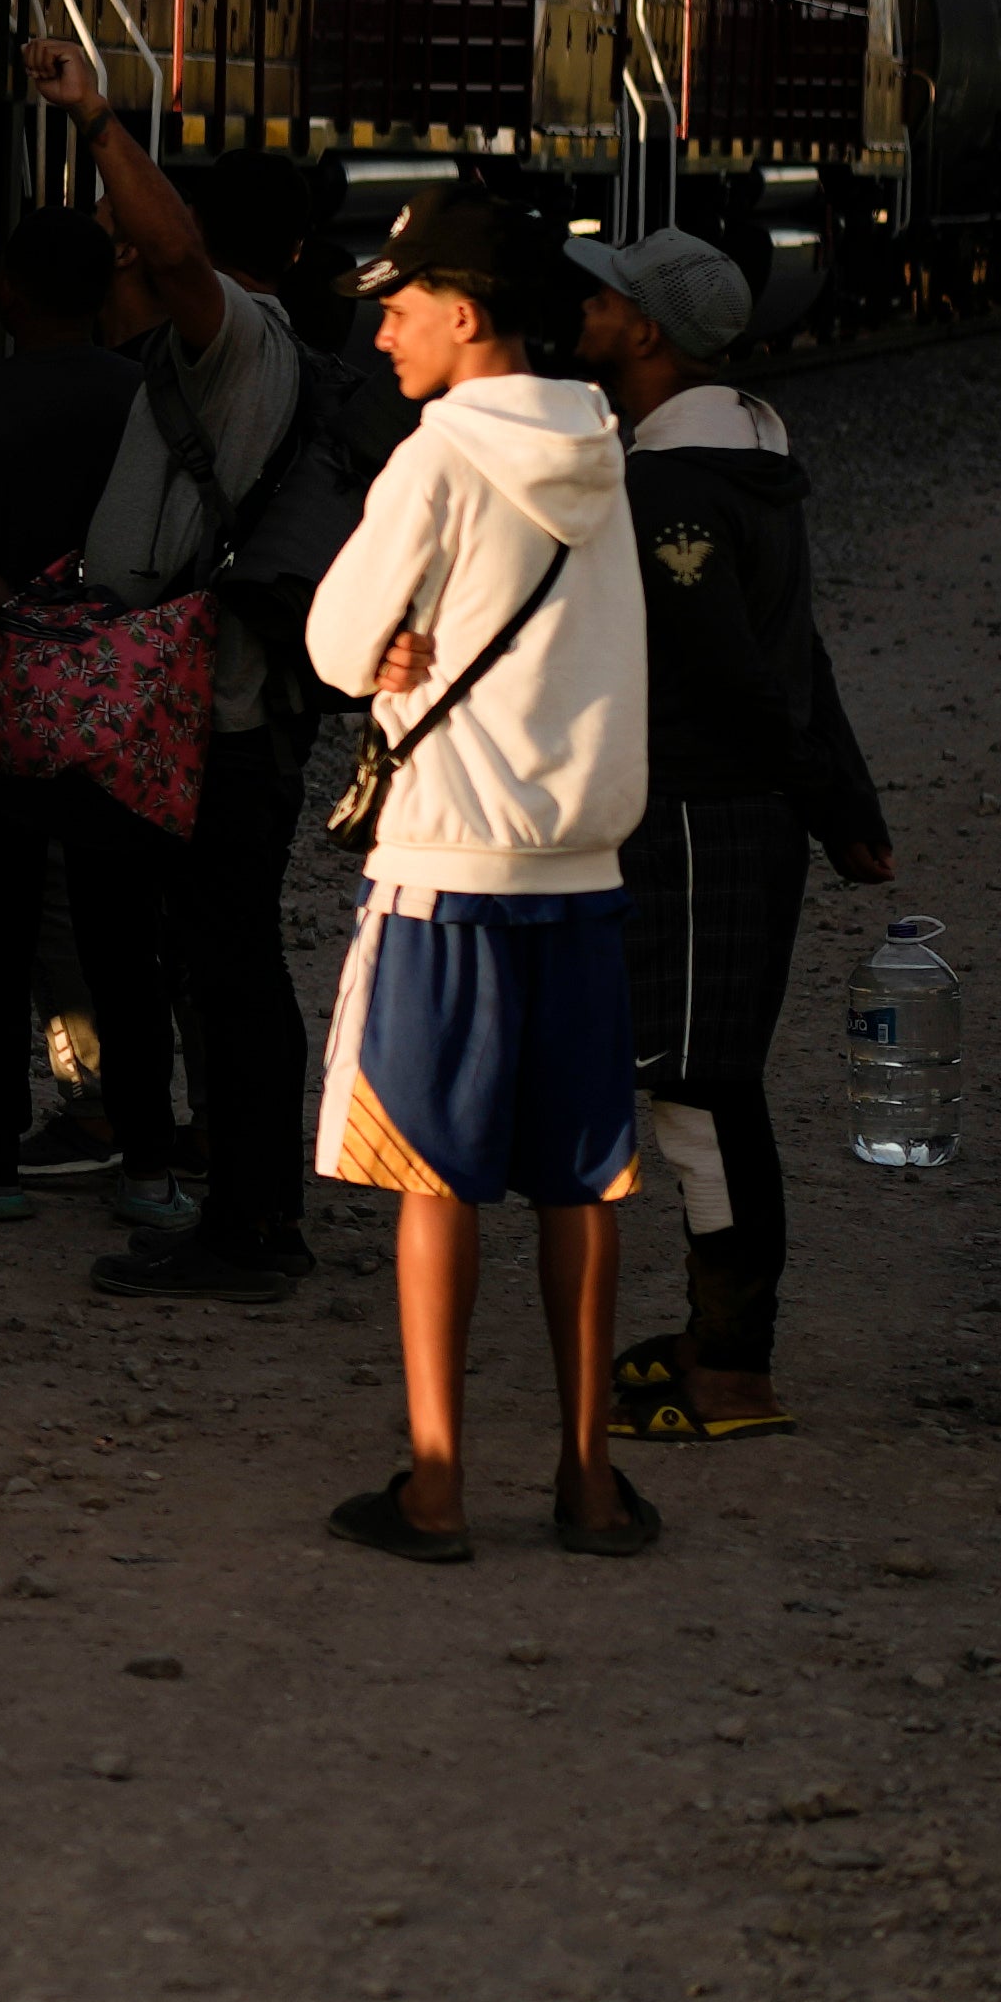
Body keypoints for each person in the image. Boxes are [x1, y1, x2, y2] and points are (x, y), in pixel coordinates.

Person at [297, 186, 660, 1566]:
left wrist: (384, 652)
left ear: (460, 313)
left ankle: (437, 1485)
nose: (381, 334)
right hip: (580, 874)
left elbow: (338, 636)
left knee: (432, 1176)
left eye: (394, 309)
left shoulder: (434, 456)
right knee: (580, 1180)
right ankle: (585, 1481)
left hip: (447, 869)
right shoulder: (600, 454)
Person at [577, 225, 898, 1445]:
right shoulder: (752, 458)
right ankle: (720, 1347)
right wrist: (841, 806)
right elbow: (796, 651)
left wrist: (821, 798)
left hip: (701, 817)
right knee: (695, 1088)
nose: (586, 314)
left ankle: (731, 1365)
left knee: (701, 1097)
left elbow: (735, 673)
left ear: (647, 332)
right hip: (735, 813)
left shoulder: (667, 487)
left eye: (604, 302)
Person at [30, 68, 337, 1311]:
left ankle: (254, 1227)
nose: (116, 272)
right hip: (203, 718)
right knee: (222, 963)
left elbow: (171, 246)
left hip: (219, 721)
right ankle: (239, 1209)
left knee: (231, 968)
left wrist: (98, 122)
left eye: (127, 258)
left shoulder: (237, 340)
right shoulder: (224, 352)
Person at [0, 207, 177, 1217]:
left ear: (9, 293)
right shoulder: (144, 399)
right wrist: (95, 638)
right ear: (103, 292)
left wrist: (26, 626)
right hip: (120, 696)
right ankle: (148, 1172)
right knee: (123, 936)